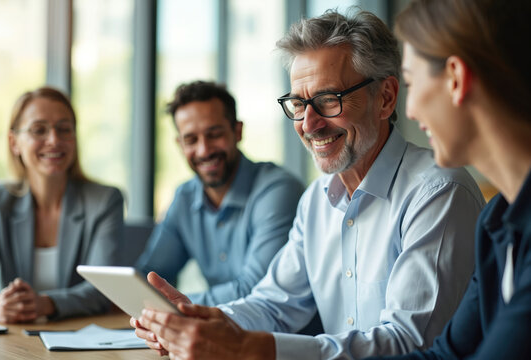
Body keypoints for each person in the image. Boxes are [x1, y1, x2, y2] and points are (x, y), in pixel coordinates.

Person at [131, 10, 486, 359]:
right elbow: (274, 305)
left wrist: (255, 348)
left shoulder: (439, 193)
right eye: (299, 104)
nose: (309, 124)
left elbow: (411, 343)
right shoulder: (317, 199)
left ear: (386, 98)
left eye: (329, 99)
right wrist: (202, 321)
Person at [365, 1, 531, 359]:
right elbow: (444, 355)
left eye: (409, 81)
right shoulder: (495, 224)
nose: (407, 111)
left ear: (455, 78)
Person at [134, 80, 304, 306]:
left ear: (238, 131)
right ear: (180, 145)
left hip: (282, 336)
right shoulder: (184, 197)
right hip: (220, 334)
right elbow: (150, 276)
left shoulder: (278, 190)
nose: (204, 150)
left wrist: (174, 303)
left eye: (214, 134)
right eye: (191, 139)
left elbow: (254, 289)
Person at [0, 86, 124, 323]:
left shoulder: (105, 201)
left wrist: (45, 304)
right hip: (14, 342)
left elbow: (103, 291)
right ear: (14, 142)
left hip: (80, 339)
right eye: (39, 130)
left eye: (64, 129)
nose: (54, 140)